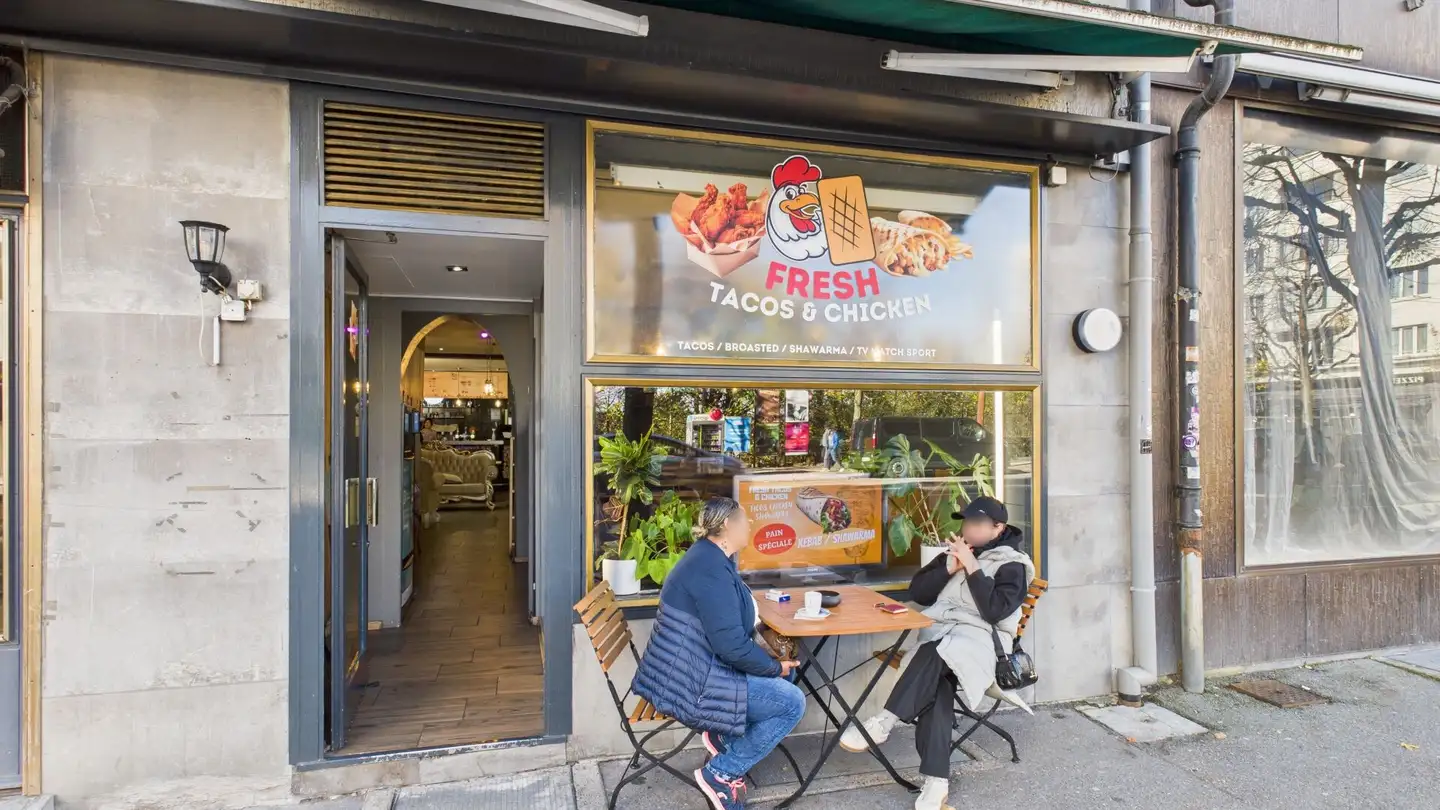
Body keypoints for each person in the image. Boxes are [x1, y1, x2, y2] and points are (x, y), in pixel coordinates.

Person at [838, 496, 1035, 810]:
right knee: (936, 685)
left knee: (934, 655)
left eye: (977, 523)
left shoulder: (1012, 564)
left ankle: (884, 722)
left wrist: (972, 569)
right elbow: (918, 592)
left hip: (980, 644)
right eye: (966, 522)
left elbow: (995, 611)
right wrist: (948, 567)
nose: (968, 528)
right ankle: (936, 785)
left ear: (998, 528)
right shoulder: (958, 551)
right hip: (941, 637)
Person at [632, 497, 805, 810]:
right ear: (727, 525)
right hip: (691, 684)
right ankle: (721, 772)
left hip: (688, 668)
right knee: (791, 703)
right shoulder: (710, 569)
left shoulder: (709, 558)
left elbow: (728, 635)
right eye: (745, 519)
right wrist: (771, 667)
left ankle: (725, 739)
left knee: (789, 673)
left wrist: (775, 666)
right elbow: (730, 647)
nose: (750, 525)